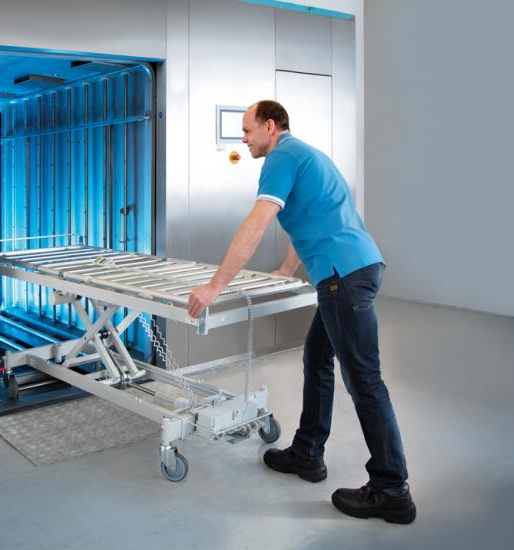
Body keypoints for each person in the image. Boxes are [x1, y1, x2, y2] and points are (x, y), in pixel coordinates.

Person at [187, 100, 416, 525]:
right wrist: (286, 269)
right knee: (317, 358)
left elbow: (258, 222)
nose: (243, 139)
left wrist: (216, 286)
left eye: (248, 130)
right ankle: (308, 452)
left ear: (270, 127)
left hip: (343, 276)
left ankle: (391, 489)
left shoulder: (281, 158)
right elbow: (313, 218)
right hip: (353, 268)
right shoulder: (304, 154)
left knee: (364, 380)